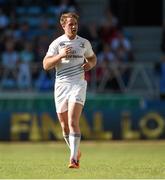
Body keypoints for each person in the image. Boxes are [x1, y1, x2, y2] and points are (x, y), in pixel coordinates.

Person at [43, 12, 97, 168]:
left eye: (75, 24)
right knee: (64, 126)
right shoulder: (57, 44)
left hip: (78, 84)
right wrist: (59, 56)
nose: (73, 27)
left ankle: (73, 159)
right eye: (70, 24)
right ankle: (76, 151)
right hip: (61, 86)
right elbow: (46, 65)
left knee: (73, 121)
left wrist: (90, 64)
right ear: (63, 25)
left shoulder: (84, 43)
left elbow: (92, 58)